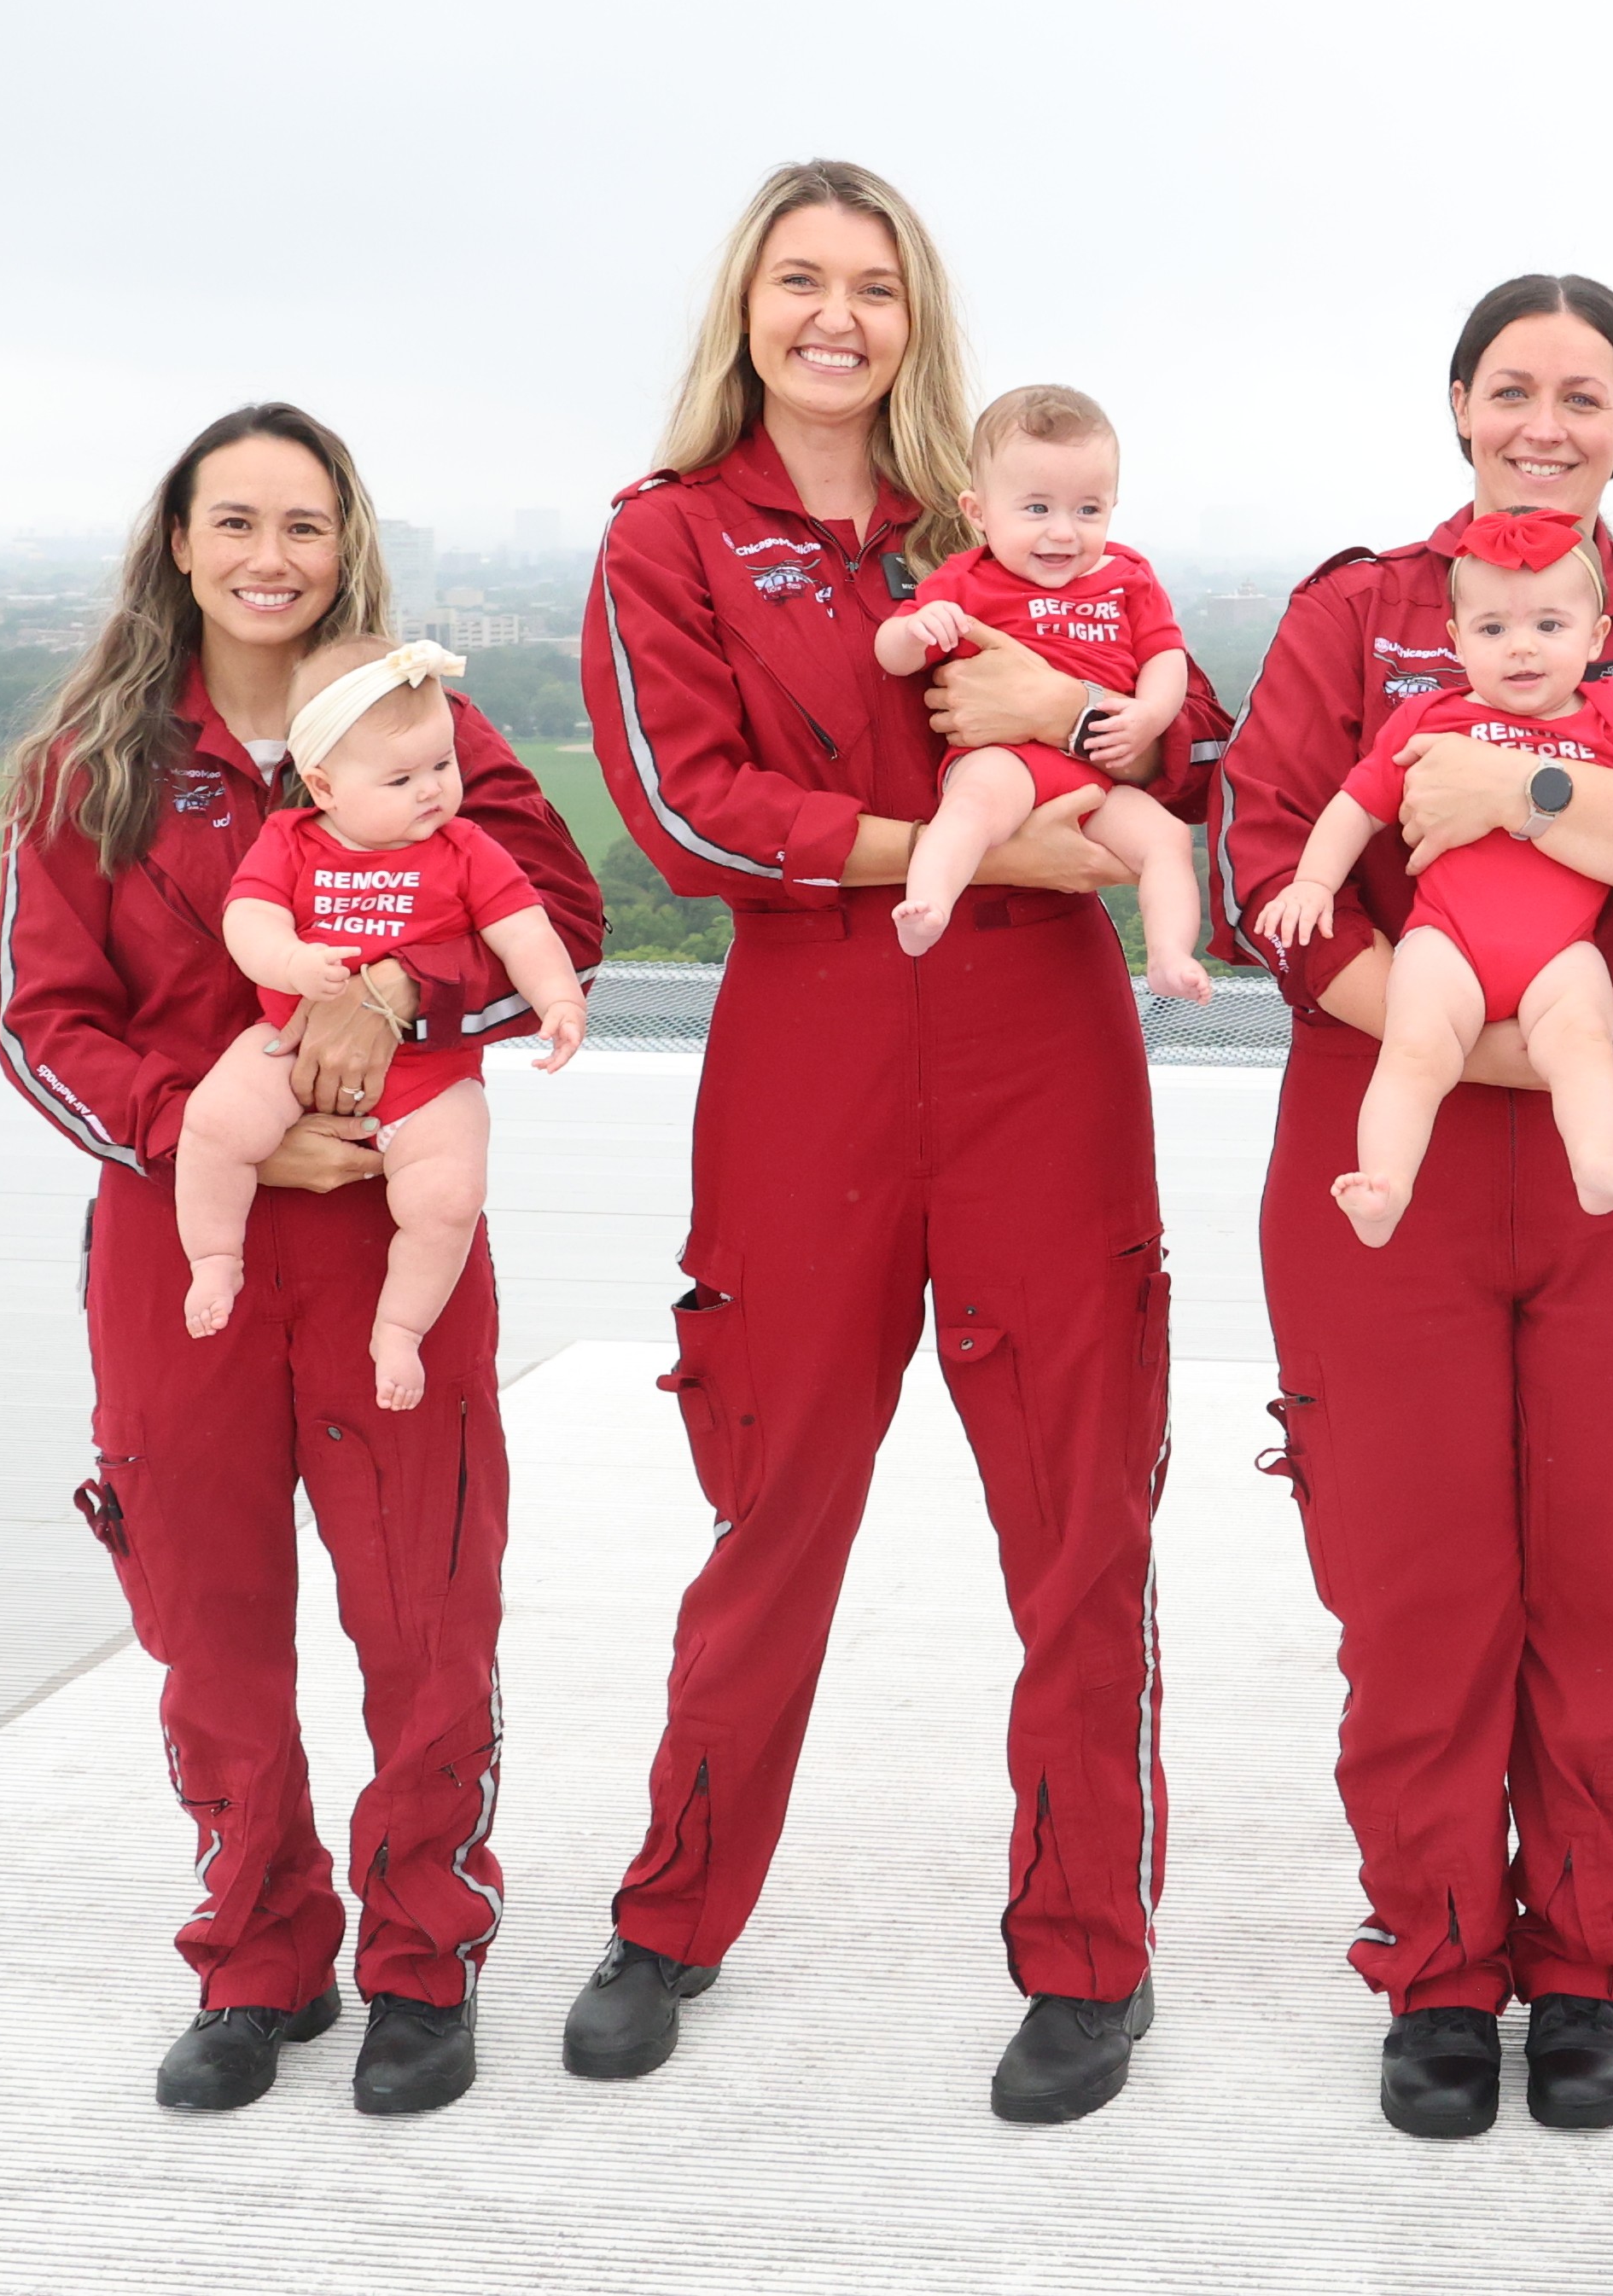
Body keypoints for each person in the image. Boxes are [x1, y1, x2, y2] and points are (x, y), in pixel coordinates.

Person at [568, 160, 1230, 2126]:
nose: (836, 316)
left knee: (1080, 1510)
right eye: (800, 281)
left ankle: (1087, 1959)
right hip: (814, 1056)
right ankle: (671, 1919)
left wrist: (1077, 725)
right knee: (774, 1496)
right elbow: (687, 816)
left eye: (874, 284)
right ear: (746, 310)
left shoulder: (1010, 513)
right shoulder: (669, 535)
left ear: (918, 317)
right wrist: (933, 846)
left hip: (1042, 1051)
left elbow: (1186, 757)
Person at [1214, 272, 1613, 2138]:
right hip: (1391, 1145)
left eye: (1580, 393)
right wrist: (1469, 1032)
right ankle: (1437, 1961)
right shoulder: (1353, 614)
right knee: (1410, 1577)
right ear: (1456, 407)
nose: (1540, 421)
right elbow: (1263, 869)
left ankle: (1586, 1961)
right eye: (1506, 388)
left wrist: (1515, 787)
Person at [0, 402, 605, 2118]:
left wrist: (392, 994)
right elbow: (42, 1023)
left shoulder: (427, 727)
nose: (270, 558)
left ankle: (423, 1952)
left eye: (305, 527)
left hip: (386, 1245)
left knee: (420, 1595)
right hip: (178, 1241)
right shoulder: (93, 763)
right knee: (209, 1613)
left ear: (351, 548)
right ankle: (259, 1956)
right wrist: (219, 1118)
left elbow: (562, 911)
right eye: (234, 522)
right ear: (177, 545)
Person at [1255, 511, 1613, 1240]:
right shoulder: (1427, 719)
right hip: (1446, 939)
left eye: (1551, 627)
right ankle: (1385, 1184)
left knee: (1582, 1044)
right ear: (1456, 641)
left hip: (1561, 951)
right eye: (1494, 630)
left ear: (1596, 638)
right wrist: (1313, 882)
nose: (1523, 649)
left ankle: (1598, 1165)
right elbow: (1354, 806)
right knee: (1414, 1048)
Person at [177, 636, 591, 1405]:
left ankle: (400, 1329)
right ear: (326, 787)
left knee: (449, 1197)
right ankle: (212, 1255)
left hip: (431, 1072)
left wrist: (558, 999)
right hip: (288, 1043)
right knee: (213, 1124)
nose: (432, 789)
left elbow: (526, 929)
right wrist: (295, 965)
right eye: (401, 777)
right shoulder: (290, 840)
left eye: (442, 764)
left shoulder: (467, 849)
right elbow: (249, 920)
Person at [874, 383, 1212, 997]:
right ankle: (927, 906)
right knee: (971, 809)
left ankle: (1168, 956)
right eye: (1036, 509)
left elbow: (1166, 656)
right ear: (978, 511)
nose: (1063, 533)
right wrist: (914, 630)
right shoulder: (967, 579)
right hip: (1006, 759)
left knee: (1166, 839)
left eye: (1088, 511)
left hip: (1097, 772)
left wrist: (1149, 715)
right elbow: (892, 655)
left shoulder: (1127, 577)